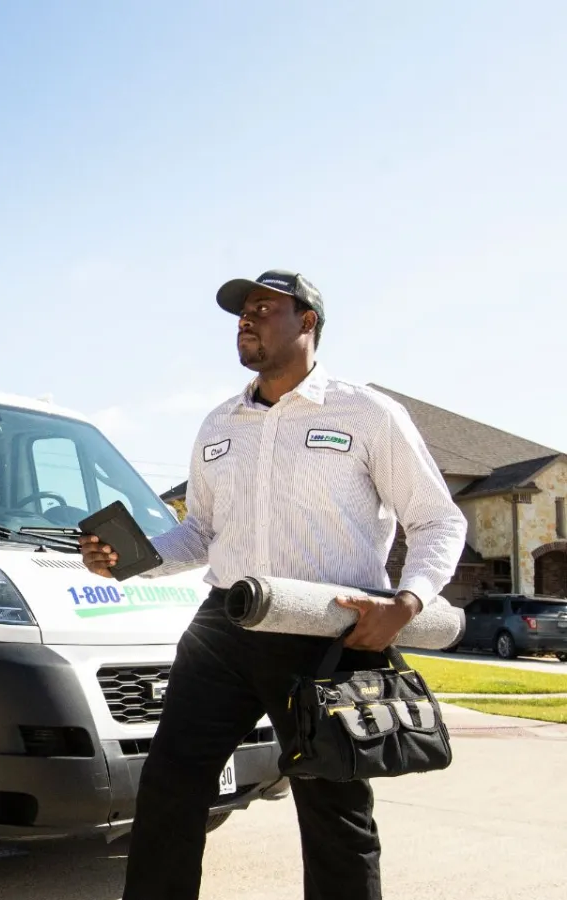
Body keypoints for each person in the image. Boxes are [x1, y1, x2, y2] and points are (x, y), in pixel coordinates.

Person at [80, 269, 468, 900]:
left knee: (334, 813)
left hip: (328, 635)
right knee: (171, 788)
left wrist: (409, 600)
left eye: (263, 308)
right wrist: (134, 558)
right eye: (241, 313)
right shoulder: (219, 424)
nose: (246, 320)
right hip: (224, 627)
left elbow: (438, 519)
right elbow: (202, 533)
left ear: (307, 322)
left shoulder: (367, 414)